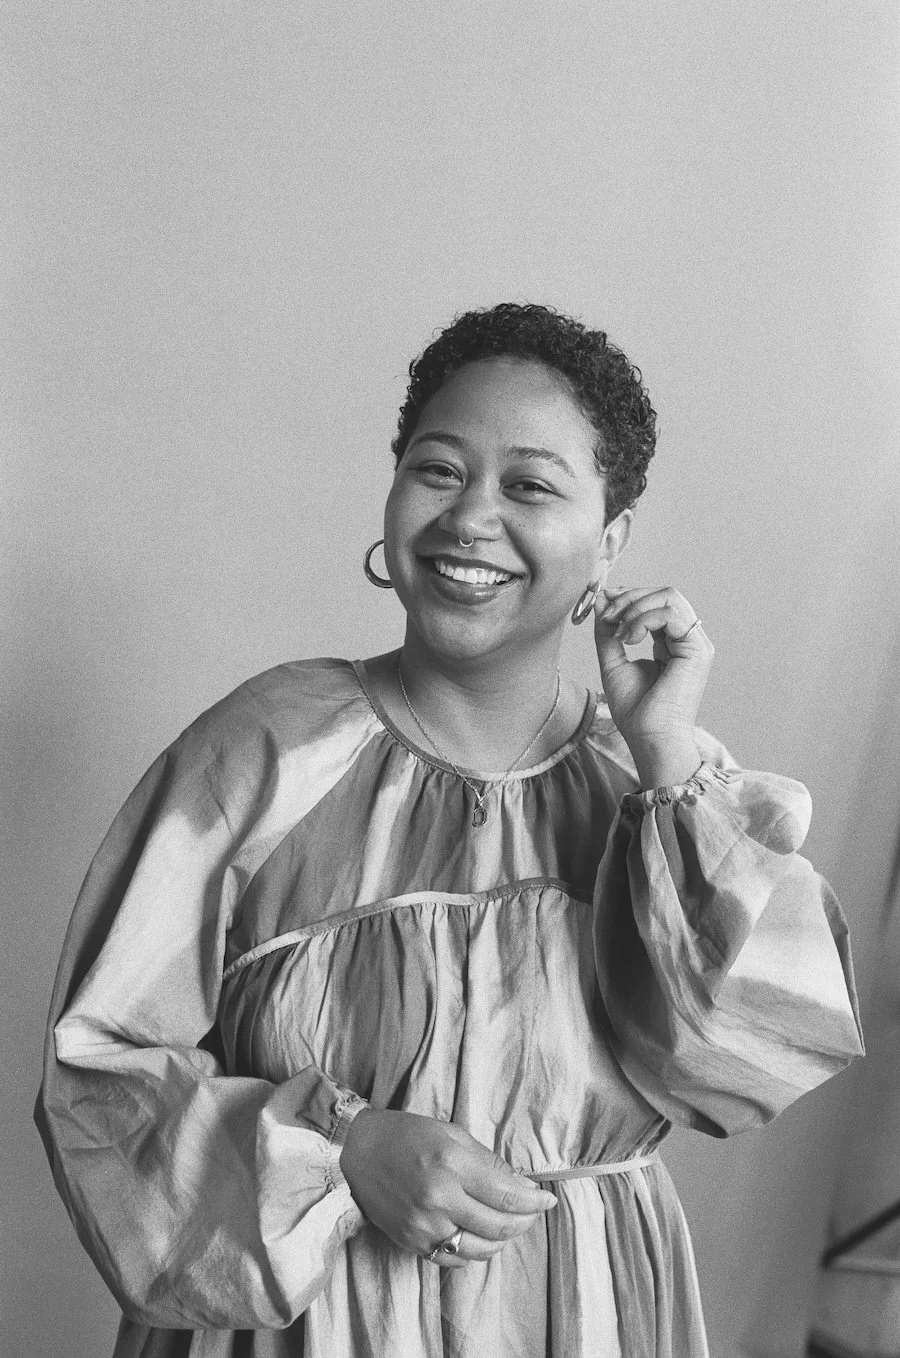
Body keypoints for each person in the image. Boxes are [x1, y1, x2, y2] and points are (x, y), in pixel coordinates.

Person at [37, 302, 863, 1357]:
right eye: (438, 469)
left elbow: (759, 1051)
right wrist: (344, 1146)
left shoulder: (658, 785)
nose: (471, 517)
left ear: (609, 540)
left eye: (528, 485)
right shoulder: (261, 753)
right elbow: (98, 1075)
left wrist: (667, 752)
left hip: (586, 1316)